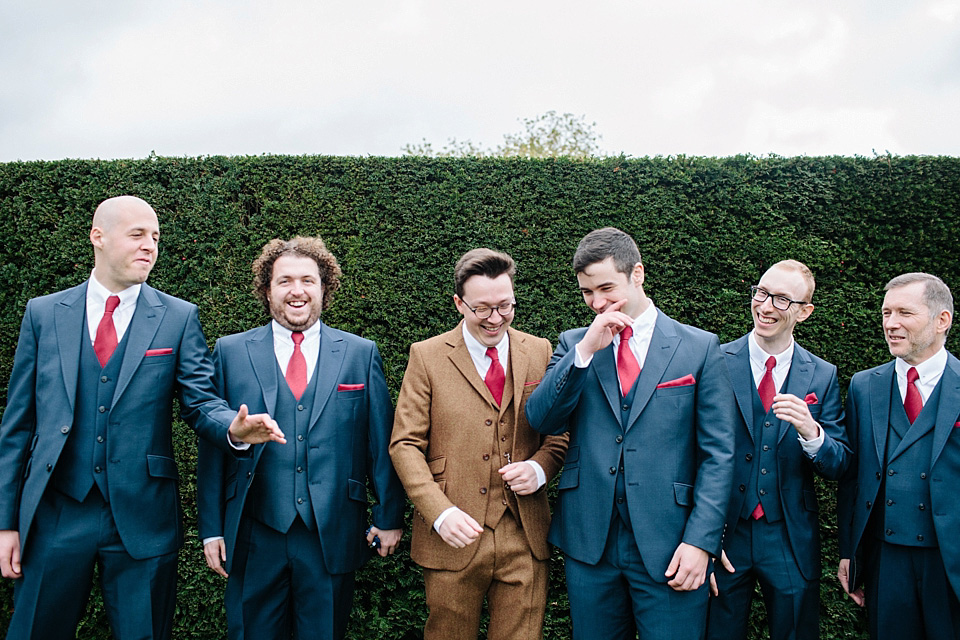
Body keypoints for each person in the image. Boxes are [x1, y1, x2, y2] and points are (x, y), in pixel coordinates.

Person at [0, 195, 284, 639]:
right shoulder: (43, 313)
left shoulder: (177, 316)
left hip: (143, 515)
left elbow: (200, 401)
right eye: (137, 234)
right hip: (54, 510)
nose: (150, 245)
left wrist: (233, 428)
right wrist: (6, 522)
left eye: (155, 237)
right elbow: (17, 424)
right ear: (98, 236)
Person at [525, 226, 736, 640]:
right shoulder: (574, 344)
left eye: (606, 288)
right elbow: (542, 419)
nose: (597, 303)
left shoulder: (699, 347)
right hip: (590, 544)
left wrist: (701, 541)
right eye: (587, 292)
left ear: (637, 273)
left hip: (672, 543)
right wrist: (586, 351)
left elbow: (719, 455)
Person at [197, 236, 404, 640]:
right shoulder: (231, 351)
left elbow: (381, 440)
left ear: (324, 288)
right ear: (267, 290)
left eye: (308, 280)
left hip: (331, 529)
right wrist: (211, 528)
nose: (297, 290)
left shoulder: (359, 353)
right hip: (255, 531)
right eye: (285, 280)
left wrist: (389, 515)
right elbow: (213, 445)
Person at [389, 248, 568, 640]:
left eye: (505, 306)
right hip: (452, 532)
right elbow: (404, 444)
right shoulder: (427, 355)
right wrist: (439, 512)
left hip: (525, 531)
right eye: (482, 308)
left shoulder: (539, 350)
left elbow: (560, 433)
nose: (495, 318)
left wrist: (539, 468)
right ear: (459, 303)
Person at [706, 260, 851, 640]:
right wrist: (701, 536)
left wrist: (812, 431)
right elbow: (691, 453)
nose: (766, 306)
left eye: (782, 300)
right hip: (725, 533)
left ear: (805, 312)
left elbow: (839, 464)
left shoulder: (822, 374)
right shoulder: (715, 360)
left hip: (789, 535)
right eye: (762, 292)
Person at [838, 272, 960, 640]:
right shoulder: (864, 385)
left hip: (951, 560)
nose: (891, 324)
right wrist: (849, 552)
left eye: (904, 313)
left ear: (942, 320)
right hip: (885, 560)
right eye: (886, 313)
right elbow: (853, 477)